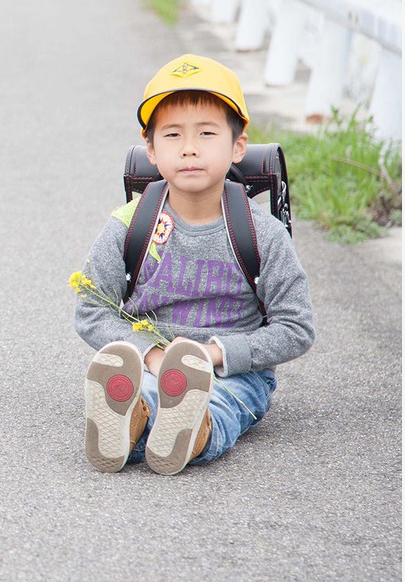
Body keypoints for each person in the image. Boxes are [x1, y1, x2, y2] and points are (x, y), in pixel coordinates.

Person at [75, 54, 314, 474]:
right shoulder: (131, 228)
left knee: (219, 404)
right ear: (150, 148)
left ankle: (193, 428)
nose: (189, 148)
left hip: (234, 372)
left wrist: (216, 354)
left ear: (238, 144)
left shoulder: (262, 235)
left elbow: (296, 328)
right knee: (148, 393)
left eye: (206, 133)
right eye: (172, 135)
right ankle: (133, 418)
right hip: (152, 365)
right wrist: (149, 355)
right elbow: (91, 309)